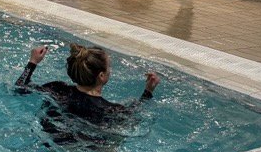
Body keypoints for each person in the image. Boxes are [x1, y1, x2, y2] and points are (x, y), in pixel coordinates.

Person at [15, 44, 160, 127]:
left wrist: (33, 62)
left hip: (49, 139)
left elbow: (19, 88)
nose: (110, 70)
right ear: (102, 76)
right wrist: (148, 92)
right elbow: (135, 117)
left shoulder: (56, 88)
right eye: (109, 67)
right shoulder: (109, 109)